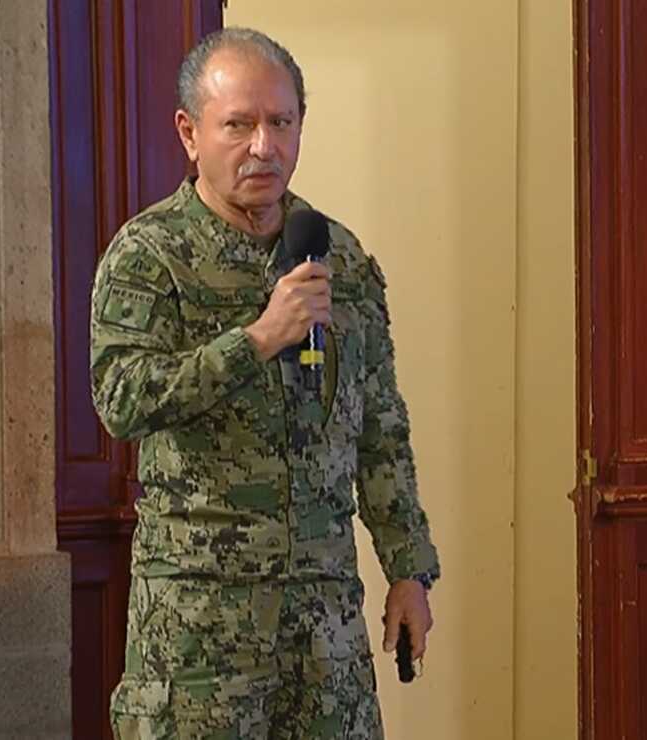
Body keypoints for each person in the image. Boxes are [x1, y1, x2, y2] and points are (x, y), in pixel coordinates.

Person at [90, 26, 439, 739]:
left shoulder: (337, 256)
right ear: (189, 133)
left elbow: (380, 428)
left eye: (281, 123)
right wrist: (256, 340)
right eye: (238, 125)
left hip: (324, 627)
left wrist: (408, 570)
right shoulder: (150, 256)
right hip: (201, 632)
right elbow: (122, 400)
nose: (263, 146)